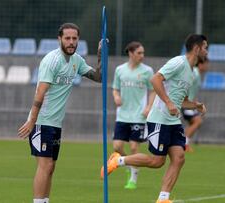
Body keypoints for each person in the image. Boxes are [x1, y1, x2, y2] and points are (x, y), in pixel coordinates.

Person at [107, 34, 208, 203]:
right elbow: (155, 79)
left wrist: (196, 105)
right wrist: (168, 103)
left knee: (179, 158)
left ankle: (163, 198)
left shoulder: (191, 73)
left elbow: (181, 101)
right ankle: (118, 160)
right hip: (159, 120)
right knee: (157, 161)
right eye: (205, 47)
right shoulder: (178, 62)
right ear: (196, 48)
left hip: (173, 122)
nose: (207, 51)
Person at [17, 23, 102, 203]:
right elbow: (40, 92)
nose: (71, 42)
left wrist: (102, 56)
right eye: (67, 38)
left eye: (74, 38)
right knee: (45, 165)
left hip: (55, 123)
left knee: (51, 166)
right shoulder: (51, 60)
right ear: (59, 39)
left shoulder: (76, 60)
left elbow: (98, 77)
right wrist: (32, 121)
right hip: (41, 121)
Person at [102, 41, 156, 190]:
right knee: (117, 146)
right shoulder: (120, 70)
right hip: (123, 115)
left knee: (133, 146)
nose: (142, 56)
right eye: (139, 53)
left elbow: (153, 90)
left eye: (143, 53)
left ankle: (133, 178)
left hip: (139, 115)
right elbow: (115, 88)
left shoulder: (147, 71)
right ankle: (126, 163)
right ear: (131, 53)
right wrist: (116, 96)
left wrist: (149, 106)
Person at [181, 57, 209, 152]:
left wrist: (196, 104)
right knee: (198, 121)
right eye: (206, 64)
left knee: (194, 123)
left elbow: (193, 91)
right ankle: (184, 143)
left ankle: (184, 143)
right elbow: (186, 85)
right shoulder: (195, 73)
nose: (207, 66)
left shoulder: (198, 74)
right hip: (186, 104)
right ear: (201, 64)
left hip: (190, 104)